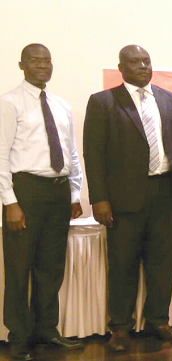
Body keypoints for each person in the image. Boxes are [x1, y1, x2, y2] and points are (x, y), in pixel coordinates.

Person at [83, 45, 172, 352]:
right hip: (123, 198)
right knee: (123, 264)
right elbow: (93, 155)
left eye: (147, 61)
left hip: (164, 192)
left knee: (163, 261)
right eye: (135, 62)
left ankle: (158, 321)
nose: (143, 66)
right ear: (121, 67)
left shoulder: (169, 99)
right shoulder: (103, 102)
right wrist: (99, 199)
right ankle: (120, 327)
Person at [0, 43, 84, 360]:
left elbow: (71, 154)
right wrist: (10, 202)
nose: (42, 65)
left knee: (51, 268)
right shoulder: (9, 103)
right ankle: (19, 337)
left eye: (47, 60)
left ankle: (46, 330)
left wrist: (74, 193)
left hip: (58, 192)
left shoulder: (61, 105)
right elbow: (1, 156)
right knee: (20, 267)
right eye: (35, 60)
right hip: (26, 190)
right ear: (21, 65)